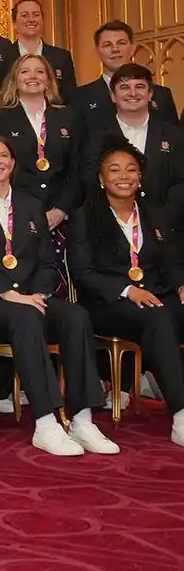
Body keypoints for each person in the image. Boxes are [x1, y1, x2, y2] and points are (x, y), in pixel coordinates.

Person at [0, 133, 117, 456]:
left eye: (3, 156)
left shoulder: (31, 204)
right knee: (25, 317)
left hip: (31, 298)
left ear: (12, 163)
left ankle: (82, 418)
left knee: (75, 315)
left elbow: (48, 262)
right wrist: (10, 294)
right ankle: (46, 422)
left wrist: (36, 293)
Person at [70, 138, 184, 448]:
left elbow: (171, 262)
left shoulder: (156, 214)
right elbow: (83, 273)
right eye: (115, 170)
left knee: (164, 312)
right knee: (158, 317)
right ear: (102, 178)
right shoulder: (85, 217)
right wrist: (126, 289)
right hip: (108, 304)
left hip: (157, 295)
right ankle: (181, 416)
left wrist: (181, 285)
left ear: (141, 177)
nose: (124, 176)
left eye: (131, 170)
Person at [81, 63, 184, 227]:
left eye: (140, 86)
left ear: (150, 94)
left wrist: (161, 218)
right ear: (113, 96)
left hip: (168, 230)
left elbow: (181, 182)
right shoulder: (95, 138)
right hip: (112, 230)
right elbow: (89, 182)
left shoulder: (175, 135)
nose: (133, 93)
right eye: (124, 87)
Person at [0, 54, 82, 237]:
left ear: (49, 80)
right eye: (25, 71)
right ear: (15, 80)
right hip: (17, 215)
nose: (33, 76)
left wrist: (61, 209)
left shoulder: (69, 117)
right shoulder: (0, 119)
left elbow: (77, 167)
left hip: (64, 217)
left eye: (39, 71)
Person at [75, 21, 178, 125]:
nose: (115, 49)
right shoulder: (80, 97)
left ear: (133, 48)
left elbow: (174, 138)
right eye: (107, 45)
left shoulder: (161, 95)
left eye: (121, 43)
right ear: (97, 51)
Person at [10, 0, 77, 103]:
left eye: (36, 14)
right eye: (24, 15)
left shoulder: (61, 57)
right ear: (14, 23)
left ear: (42, 20)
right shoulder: (4, 55)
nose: (31, 19)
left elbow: (71, 97)